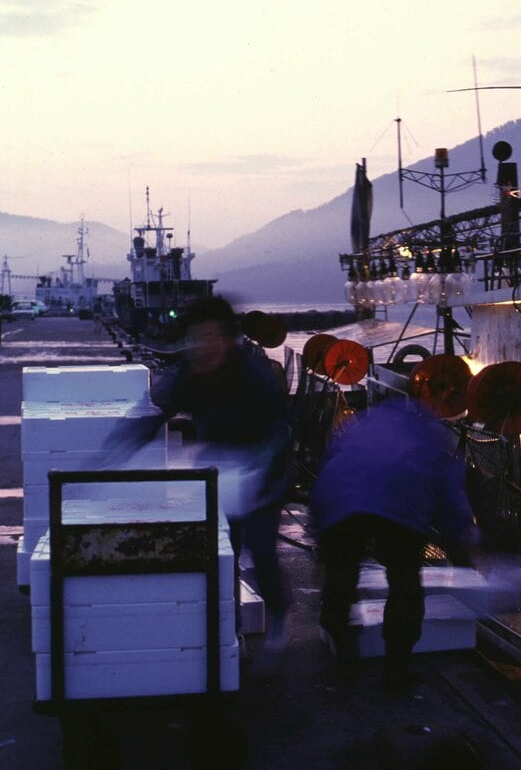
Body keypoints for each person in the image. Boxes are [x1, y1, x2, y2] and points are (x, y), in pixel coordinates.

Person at [113, 295, 293, 650]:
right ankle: (232, 630)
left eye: (210, 336)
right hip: (218, 476)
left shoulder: (254, 374)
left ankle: (279, 613)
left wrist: (260, 471)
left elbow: (281, 430)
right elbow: (151, 416)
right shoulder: (186, 375)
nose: (202, 347)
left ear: (228, 339)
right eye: (194, 338)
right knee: (222, 553)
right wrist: (113, 455)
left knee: (261, 551)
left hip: (263, 477)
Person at [311, 394, 476, 693]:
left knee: (341, 576)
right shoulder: (430, 432)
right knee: (404, 583)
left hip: (340, 499)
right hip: (401, 501)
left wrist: (319, 531)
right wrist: (461, 548)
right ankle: (396, 672)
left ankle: (345, 658)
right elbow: (450, 494)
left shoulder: (361, 423)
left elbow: (329, 466)